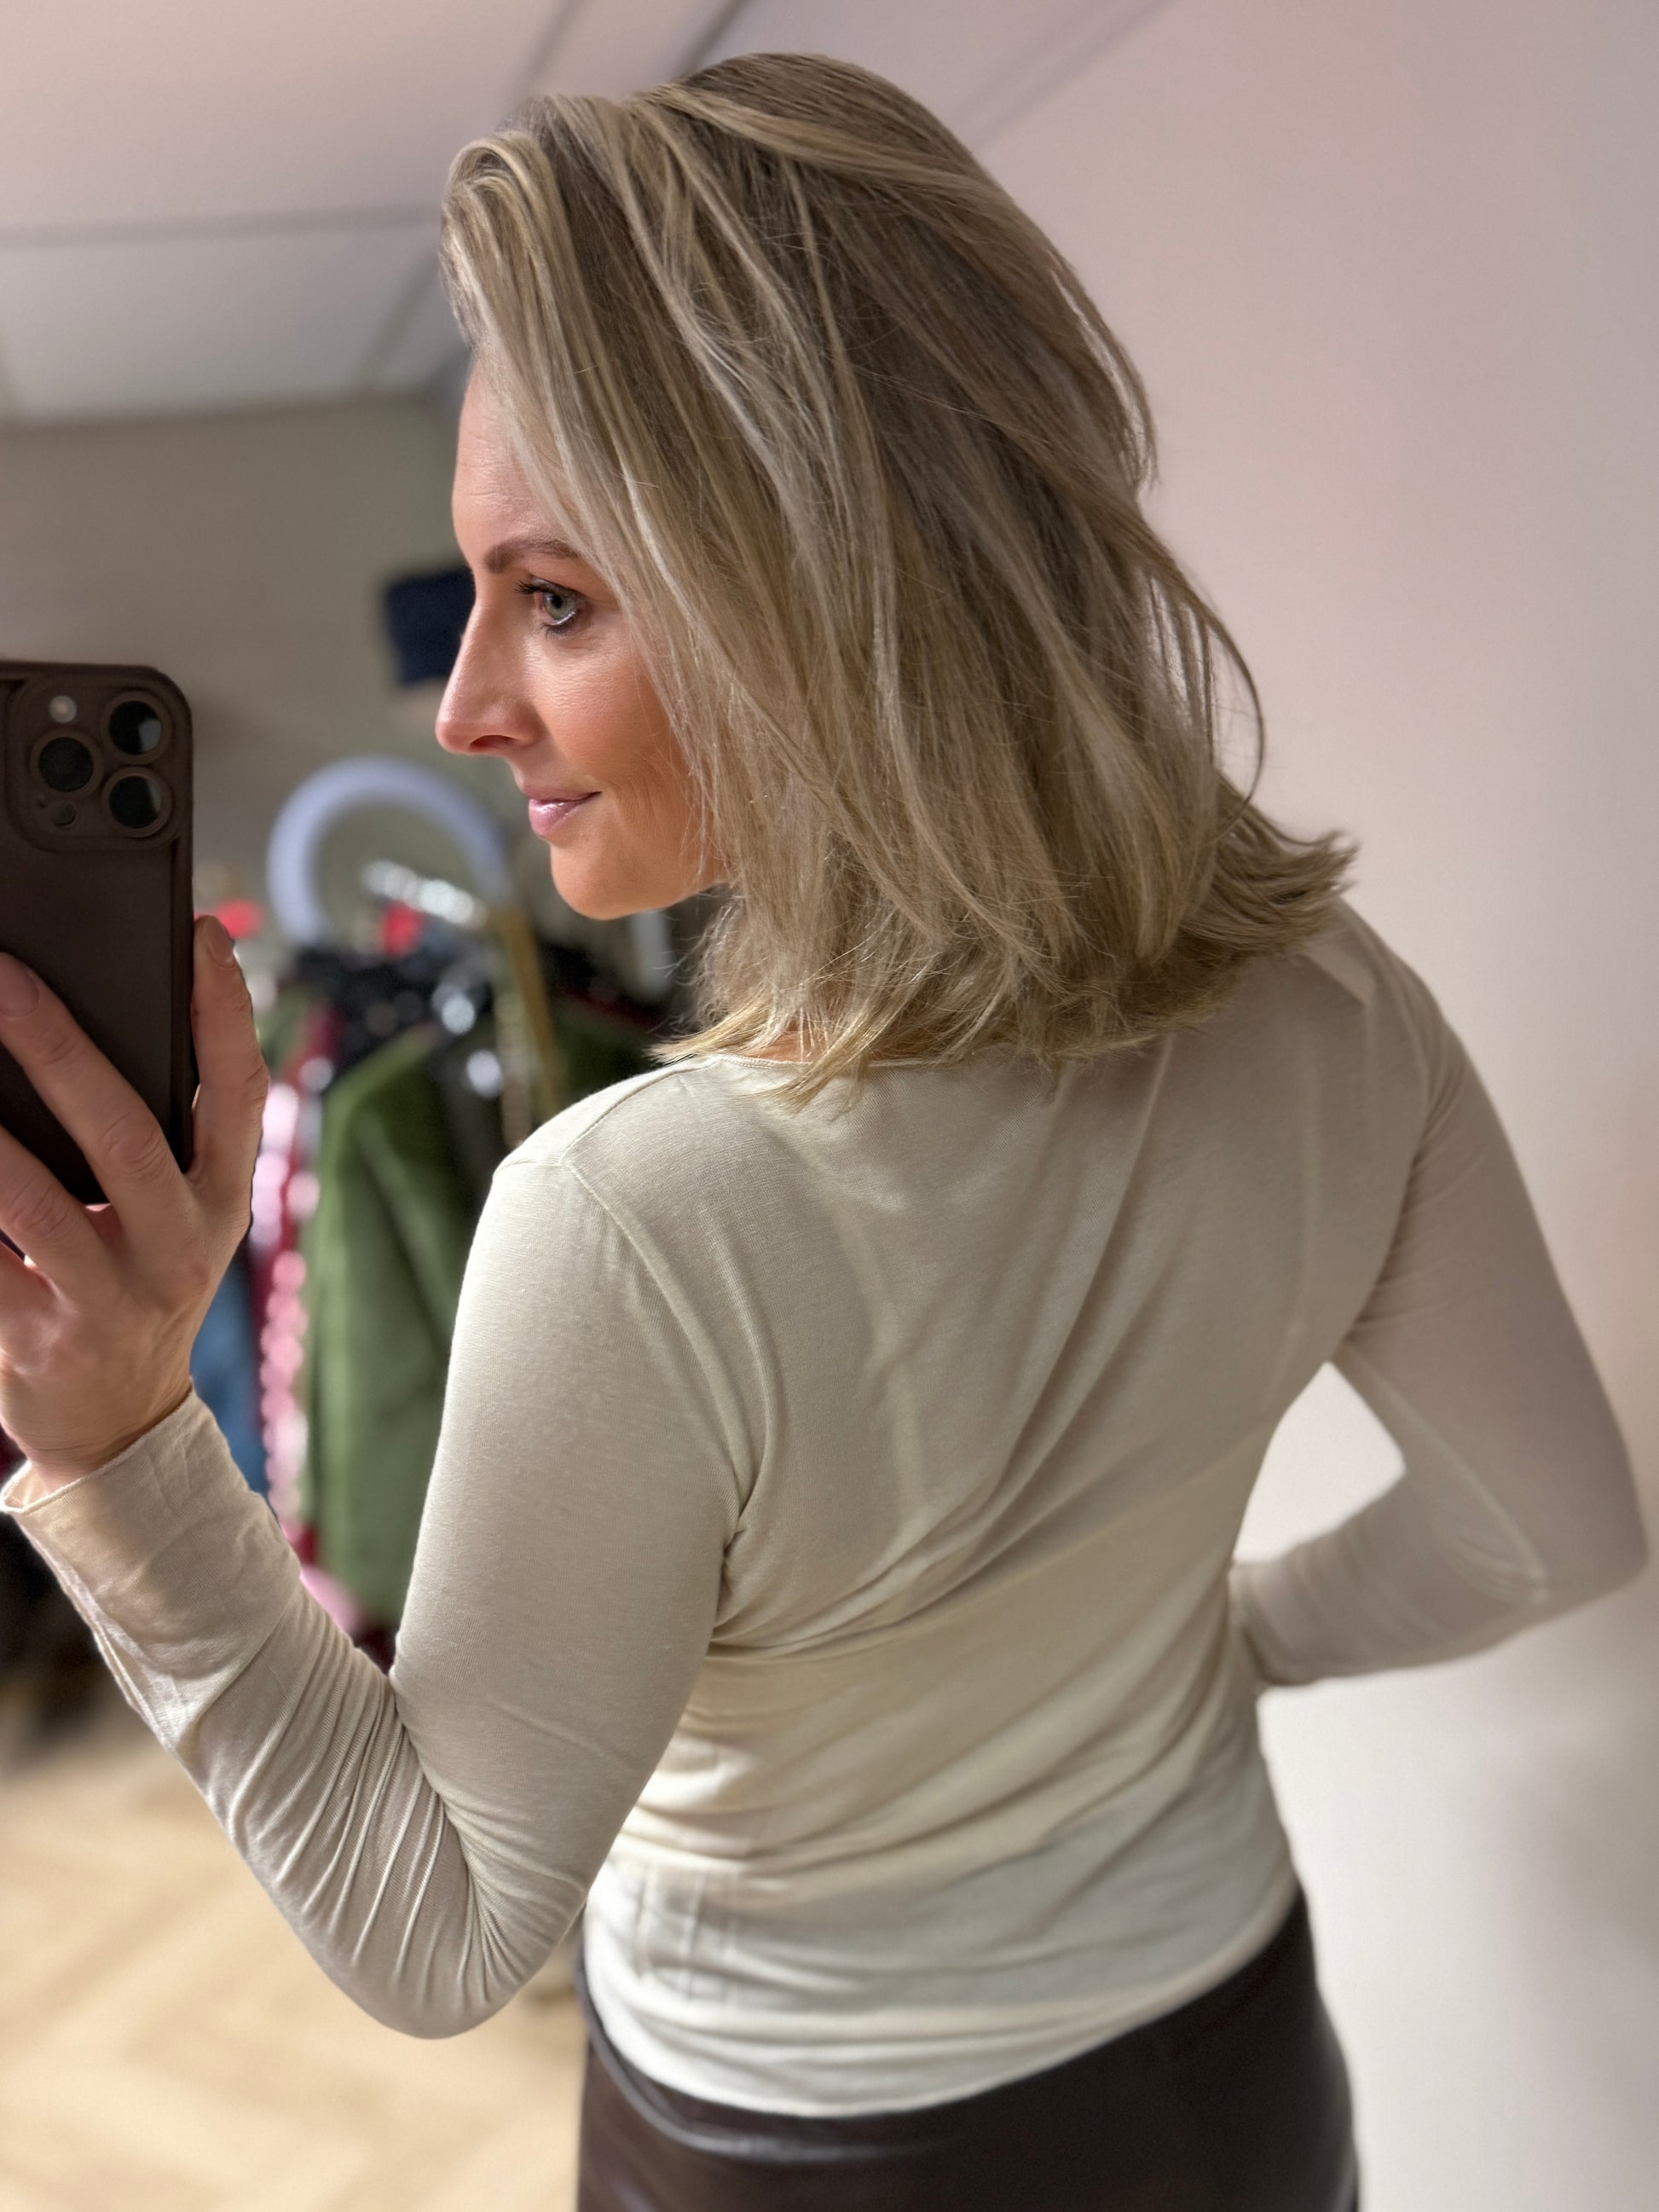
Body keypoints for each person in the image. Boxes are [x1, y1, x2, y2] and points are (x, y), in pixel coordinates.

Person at [0, 53, 1645, 2212]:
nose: (468, 703)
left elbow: (435, 1929)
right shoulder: (1338, 1009)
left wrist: (124, 1447)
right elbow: (1545, 1529)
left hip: (802, 2151)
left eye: (555, 600)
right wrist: (1198, 1641)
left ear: (816, 601)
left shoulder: (635, 1216)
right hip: (1232, 2068)